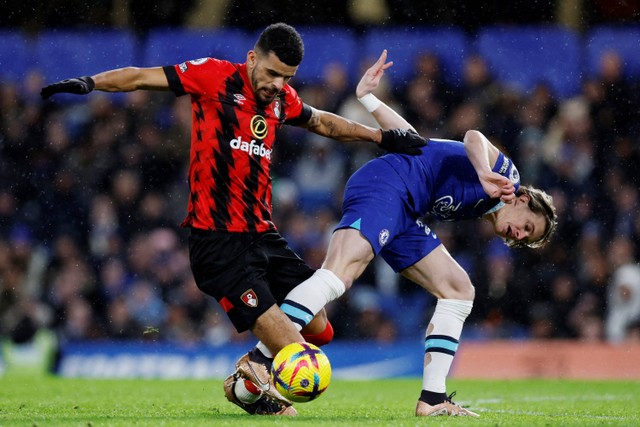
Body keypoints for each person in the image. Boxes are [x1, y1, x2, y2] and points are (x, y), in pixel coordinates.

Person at [40, 24, 427, 416]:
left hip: (263, 235)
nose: (278, 84)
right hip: (219, 243)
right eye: (273, 74)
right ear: (252, 59)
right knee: (301, 361)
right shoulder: (213, 76)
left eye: (287, 78)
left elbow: (323, 122)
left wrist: (383, 138)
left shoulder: (281, 101)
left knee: (320, 329)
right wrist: (91, 83)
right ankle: (253, 381)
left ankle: (247, 378)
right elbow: (140, 77)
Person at [251, 49, 558, 417]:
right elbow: (474, 136)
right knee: (338, 276)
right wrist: (482, 172)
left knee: (459, 289)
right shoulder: (507, 181)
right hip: (386, 186)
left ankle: (432, 398)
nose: (519, 234)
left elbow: (414, 142)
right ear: (523, 199)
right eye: (527, 225)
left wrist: (367, 98)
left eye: (525, 237)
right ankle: (259, 359)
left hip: (405, 211)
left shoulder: (486, 207)